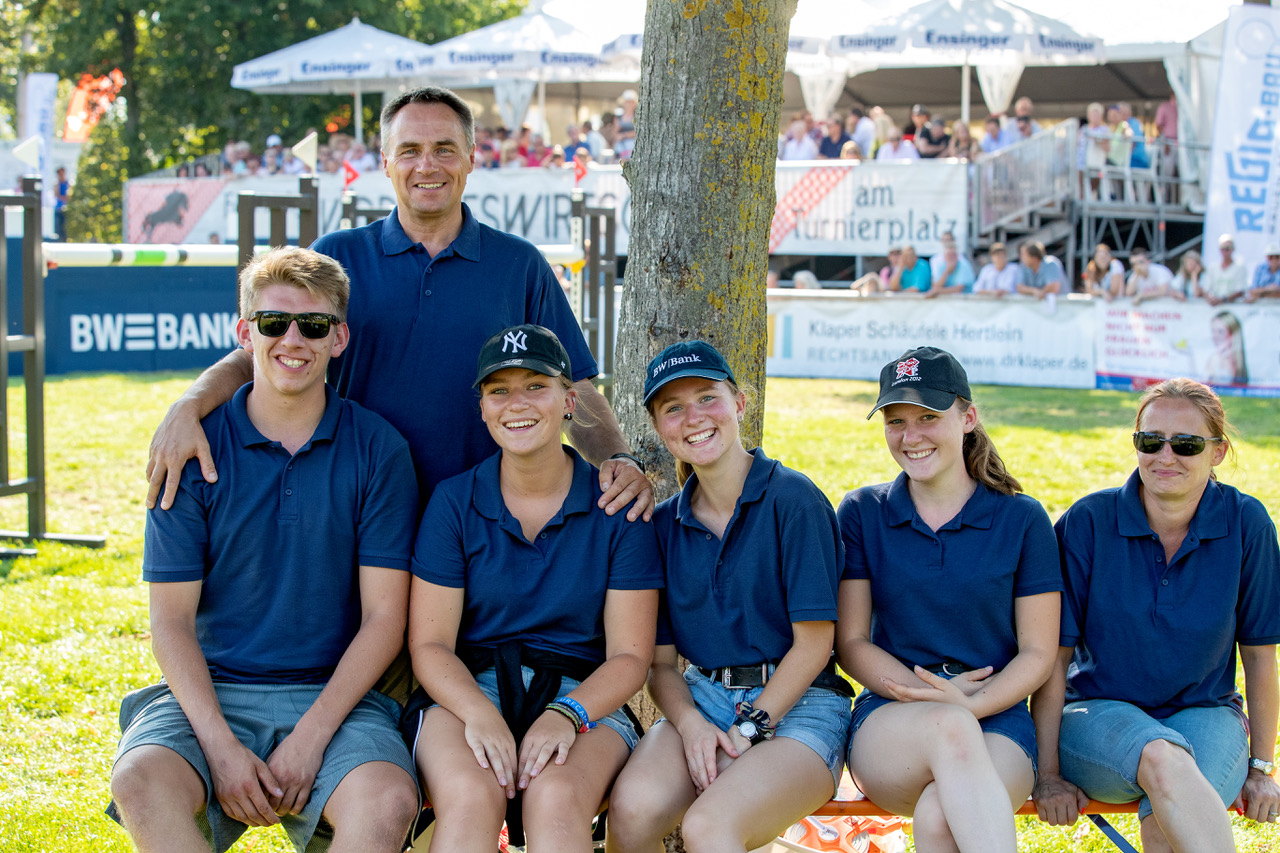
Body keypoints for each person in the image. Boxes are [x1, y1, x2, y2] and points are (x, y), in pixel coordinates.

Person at [145, 85, 653, 522]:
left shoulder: (519, 265)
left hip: (482, 521)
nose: (426, 165)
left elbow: (573, 382)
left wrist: (618, 458)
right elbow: (267, 352)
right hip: (353, 515)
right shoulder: (336, 257)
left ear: (472, 159)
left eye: (444, 149)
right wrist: (187, 407)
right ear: (385, 162)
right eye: (409, 150)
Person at [107, 247, 420, 853]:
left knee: (387, 802)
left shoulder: (379, 450)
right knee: (140, 780)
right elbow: (169, 621)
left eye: (315, 325)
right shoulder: (189, 450)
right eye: (274, 322)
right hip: (212, 691)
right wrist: (220, 747)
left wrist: (311, 737)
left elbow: (385, 618)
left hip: (335, 696)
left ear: (340, 338)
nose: (292, 340)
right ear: (244, 333)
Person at [405, 324, 661, 853]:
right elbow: (429, 644)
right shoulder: (454, 502)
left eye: (536, 386)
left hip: (583, 694)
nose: (516, 404)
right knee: (470, 794)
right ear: (482, 408)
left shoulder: (617, 506)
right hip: (468, 688)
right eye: (499, 390)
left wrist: (568, 714)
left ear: (569, 400)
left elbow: (630, 658)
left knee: (556, 798)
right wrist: (480, 715)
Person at [606, 341, 851, 853]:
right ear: (659, 428)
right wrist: (691, 725)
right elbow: (662, 666)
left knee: (709, 826)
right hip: (705, 699)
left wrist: (749, 728)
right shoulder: (662, 526)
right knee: (630, 811)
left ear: (739, 403)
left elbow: (814, 645)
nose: (693, 417)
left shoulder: (793, 500)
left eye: (707, 398)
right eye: (673, 407)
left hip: (800, 703)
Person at [1032, 378, 1280, 851]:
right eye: (1150, 441)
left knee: (1167, 826)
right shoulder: (1088, 522)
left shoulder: (1247, 523)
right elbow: (1053, 659)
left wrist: (1262, 768)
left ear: (1218, 452)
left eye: (1186, 444)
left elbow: (1260, 655)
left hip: (1207, 713)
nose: (1165, 456)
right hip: (1096, 715)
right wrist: (1047, 775)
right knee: (1163, 759)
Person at [837, 346, 1060, 853]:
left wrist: (972, 701)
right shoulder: (862, 512)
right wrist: (933, 696)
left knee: (940, 816)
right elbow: (851, 642)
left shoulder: (1022, 519)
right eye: (896, 421)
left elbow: (1038, 652)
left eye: (928, 417)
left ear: (968, 418)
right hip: (892, 713)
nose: (910, 436)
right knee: (950, 724)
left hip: (999, 715)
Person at [1196, 233, 1248, 305]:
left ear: (1232, 249)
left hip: (1233, 307)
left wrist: (1223, 300)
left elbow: (1241, 291)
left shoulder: (1240, 267)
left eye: (1227, 249)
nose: (1225, 251)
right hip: (1214, 306)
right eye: (1222, 248)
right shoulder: (1212, 267)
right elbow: (1205, 289)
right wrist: (1211, 299)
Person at [1204, 311, 1249, 385]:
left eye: (1220, 331)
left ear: (1233, 335)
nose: (1215, 336)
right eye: (1213, 331)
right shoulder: (1215, 358)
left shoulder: (1236, 361)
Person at [53, 166, 69, 241]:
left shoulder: (68, 183)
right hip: (58, 208)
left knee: (65, 228)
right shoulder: (57, 184)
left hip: (66, 208)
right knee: (58, 228)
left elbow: (68, 196)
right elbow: (57, 195)